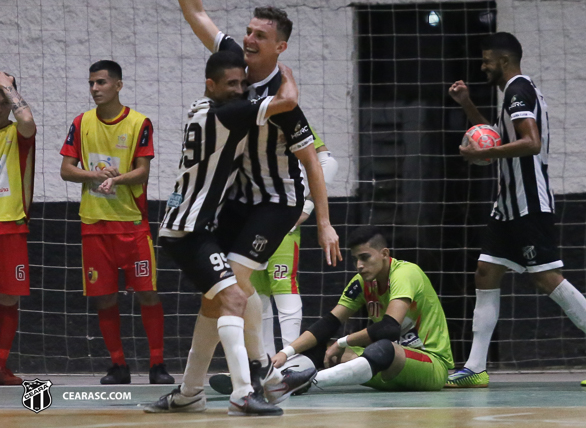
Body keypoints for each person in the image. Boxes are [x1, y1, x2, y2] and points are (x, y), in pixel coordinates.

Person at [153, 0, 340, 388]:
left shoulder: (282, 100)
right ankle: (241, 374)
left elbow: (310, 160)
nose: (248, 38)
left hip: (277, 202)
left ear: (279, 47)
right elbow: (195, 12)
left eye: (260, 35)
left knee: (229, 290)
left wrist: (323, 221)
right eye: (249, 31)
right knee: (223, 293)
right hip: (238, 197)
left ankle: (241, 376)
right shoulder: (234, 65)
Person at [445, 32, 586, 388]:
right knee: (485, 272)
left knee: (545, 278)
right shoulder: (511, 95)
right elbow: (496, 137)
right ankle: (476, 367)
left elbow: (531, 143)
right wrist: (466, 104)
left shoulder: (518, 91)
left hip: (529, 203)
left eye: (486, 61)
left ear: (505, 61)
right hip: (508, 205)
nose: (483, 67)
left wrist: (481, 156)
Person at [145, 51, 310, 416]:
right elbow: (288, 102)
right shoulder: (227, 115)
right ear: (212, 85)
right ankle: (244, 391)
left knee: (227, 298)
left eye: (242, 83)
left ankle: (190, 393)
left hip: (196, 226)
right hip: (187, 231)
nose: (239, 90)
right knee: (235, 297)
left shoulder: (200, 108)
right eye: (231, 84)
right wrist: (286, 73)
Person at [59, 60, 172, 385]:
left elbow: (143, 171)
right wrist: (94, 174)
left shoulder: (139, 123)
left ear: (118, 86)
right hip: (94, 226)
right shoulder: (81, 123)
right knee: (104, 297)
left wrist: (117, 180)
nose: (95, 89)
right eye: (92, 83)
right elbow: (66, 170)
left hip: (132, 224)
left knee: (147, 292)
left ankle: (157, 365)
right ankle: (118, 366)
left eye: (102, 83)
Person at [208, 129, 338, 395]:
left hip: (281, 219)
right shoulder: (242, 121)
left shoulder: (286, 119)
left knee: (283, 287)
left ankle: (293, 367)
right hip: (247, 221)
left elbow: (327, 161)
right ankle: (264, 368)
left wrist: (307, 208)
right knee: (255, 294)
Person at [267, 226, 455, 402]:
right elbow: (329, 323)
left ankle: (307, 381)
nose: (359, 265)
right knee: (323, 348)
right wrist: (286, 352)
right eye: (356, 259)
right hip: (382, 368)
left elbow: (389, 328)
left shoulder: (405, 273)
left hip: (429, 366)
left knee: (382, 346)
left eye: (365, 258)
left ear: (384, 254)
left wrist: (343, 342)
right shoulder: (362, 282)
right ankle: (273, 380)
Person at [0, 72, 35, 386]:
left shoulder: (18, 133)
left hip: (11, 226)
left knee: (9, 298)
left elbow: (26, 118)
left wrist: (8, 87)